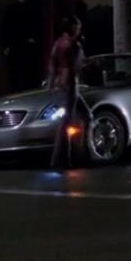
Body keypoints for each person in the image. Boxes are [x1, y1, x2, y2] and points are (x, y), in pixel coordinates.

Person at [47, 15, 85, 169]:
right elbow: (76, 66)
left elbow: (52, 65)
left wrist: (51, 84)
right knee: (66, 122)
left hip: (61, 85)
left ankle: (65, 157)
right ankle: (65, 158)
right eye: (78, 28)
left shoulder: (58, 43)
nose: (79, 30)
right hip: (70, 84)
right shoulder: (74, 45)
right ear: (73, 28)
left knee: (78, 117)